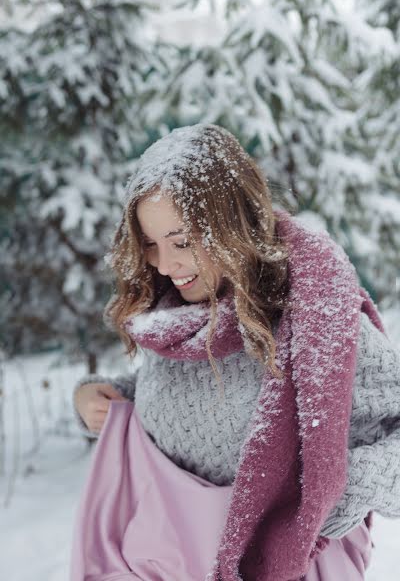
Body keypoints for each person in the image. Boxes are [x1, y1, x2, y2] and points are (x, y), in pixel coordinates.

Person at [71, 123, 400, 581]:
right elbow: (192, 400)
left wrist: (323, 498)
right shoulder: (173, 320)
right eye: (150, 245)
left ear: (232, 226)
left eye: (182, 242)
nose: (165, 266)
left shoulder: (316, 325)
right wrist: (98, 396)